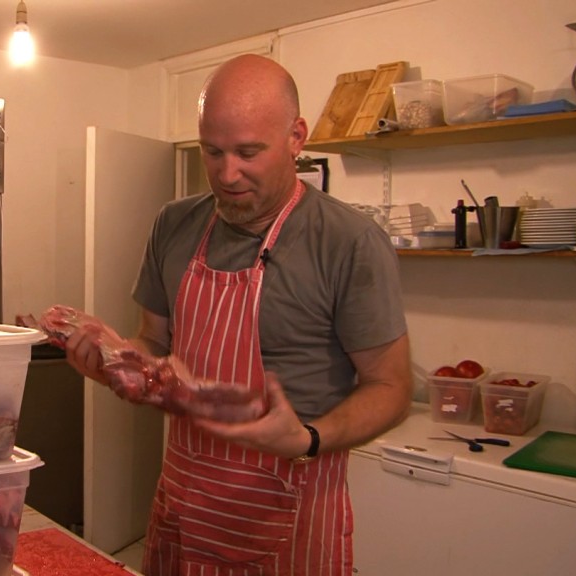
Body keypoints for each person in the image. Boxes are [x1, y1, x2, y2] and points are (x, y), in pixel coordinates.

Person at [63, 54, 412, 576]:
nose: (228, 174)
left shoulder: (348, 242)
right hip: (186, 495)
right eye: (212, 152)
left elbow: (391, 388)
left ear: (296, 136)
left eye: (249, 152)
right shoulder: (175, 224)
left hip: (291, 507)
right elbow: (153, 343)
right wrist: (116, 363)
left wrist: (307, 438)